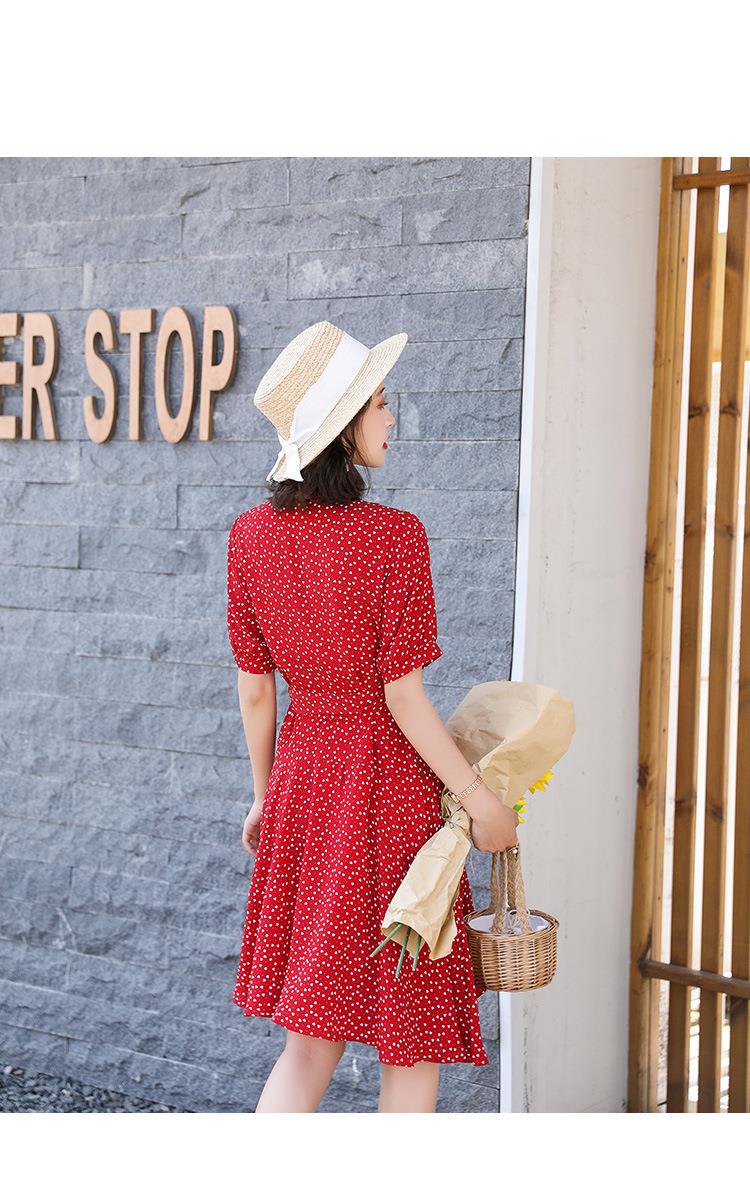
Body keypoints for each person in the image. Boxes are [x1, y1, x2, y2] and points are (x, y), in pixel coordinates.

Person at [227, 321, 519, 1114]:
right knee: (410, 1036)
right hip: (389, 796)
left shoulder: (249, 538)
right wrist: (479, 800)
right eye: (381, 403)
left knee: (308, 1044)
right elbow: (403, 697)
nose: (392, 418)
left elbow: (257, 692)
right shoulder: (394, 537)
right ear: (344, 424)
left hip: (304, 789)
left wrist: (264, 797)